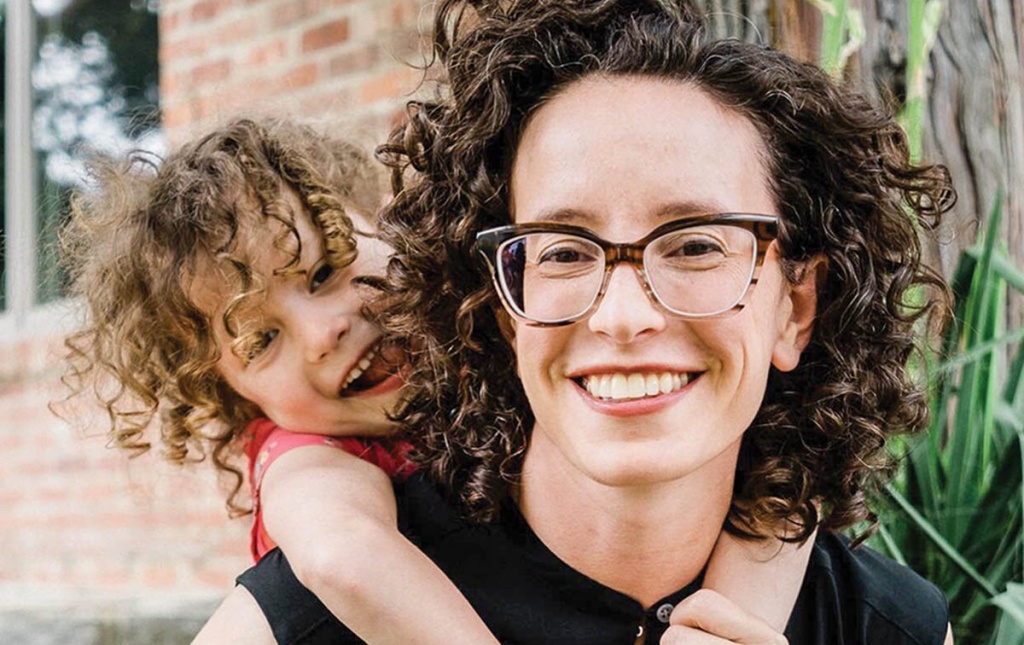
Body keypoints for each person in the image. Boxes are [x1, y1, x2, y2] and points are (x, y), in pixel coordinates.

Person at [201, 0, 958, 643]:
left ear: (795, 307)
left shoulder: (888, 625)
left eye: (695, 244)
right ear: (503, 306)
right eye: (563, 252)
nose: (623, 315)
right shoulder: (318, 617)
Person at [59, 115, 812, 645]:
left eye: (325, 270)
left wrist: (730, 616)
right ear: (232, 396)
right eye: (262, 337)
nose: (324, 331)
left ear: (390, 230)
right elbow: (342, 557)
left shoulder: (507, 343)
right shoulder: (309, 462)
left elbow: (784, 485)